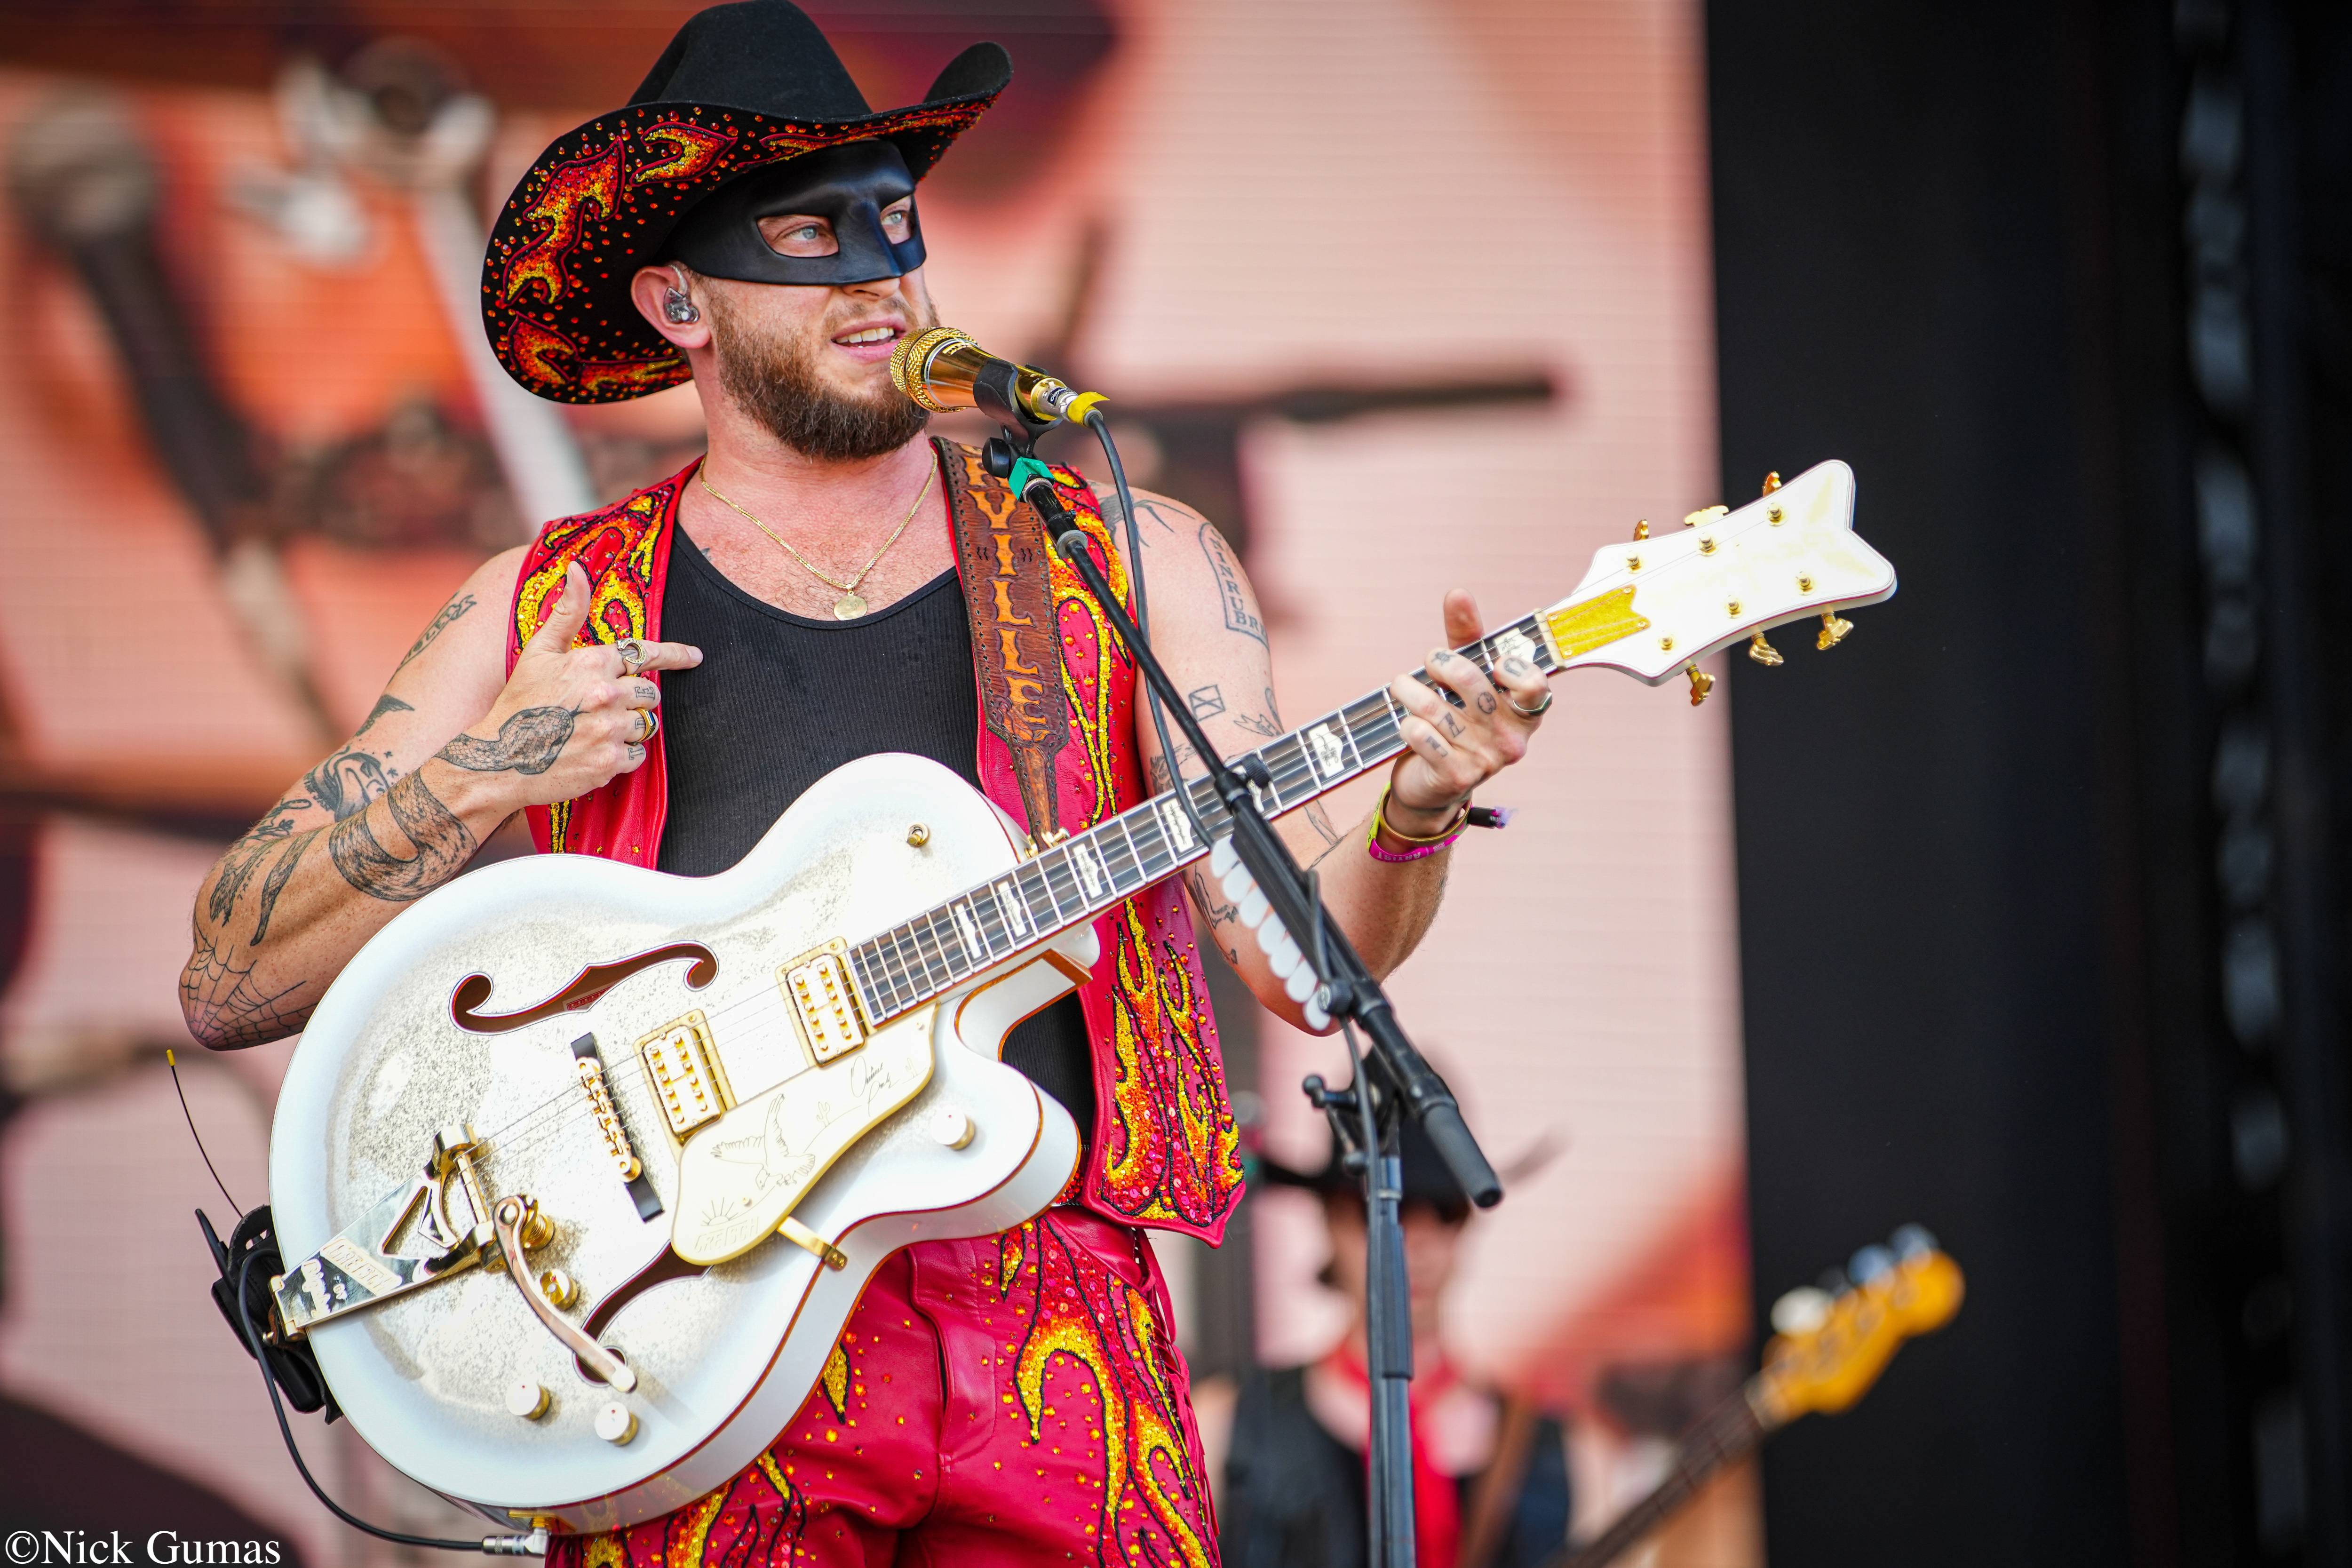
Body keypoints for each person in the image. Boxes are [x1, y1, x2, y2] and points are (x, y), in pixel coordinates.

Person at [177, 3, 1555, 1561]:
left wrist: (1416, 811)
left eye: (895, 224)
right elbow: (230, 971)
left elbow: (1303, 961)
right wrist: (493, 769)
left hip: (1056, 1335)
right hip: (686, 1343)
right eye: (810, 236)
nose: (878, 275)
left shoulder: (1130, 556)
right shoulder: (546, 603)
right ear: (677, 300)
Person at [1216, 1122, 1573, 1568]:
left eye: (1445, 1210)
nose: (1417, 1241)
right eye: (1382, 1209)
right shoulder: (1228, 1422)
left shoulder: (1562, 1448)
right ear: (1330, 1220)